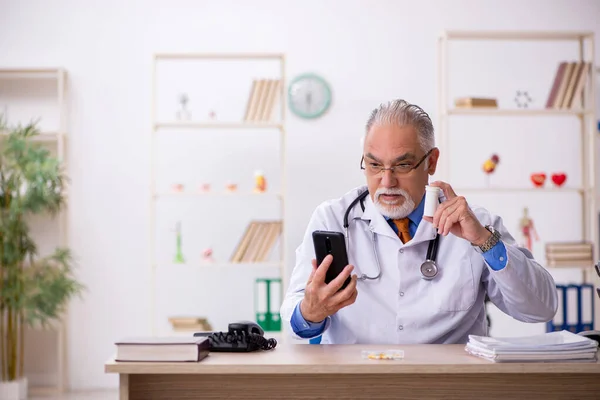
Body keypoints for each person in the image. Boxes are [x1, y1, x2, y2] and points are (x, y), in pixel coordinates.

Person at [280, 99, 558, 344]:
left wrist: (485, 242)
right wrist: (309, 313)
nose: (386, 182)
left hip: (447, 386)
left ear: (431, 162)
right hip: (358, 383)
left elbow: (540, 309)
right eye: (374, 165)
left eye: (402, 165)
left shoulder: (478, 225)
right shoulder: (332, 218)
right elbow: (293, 319)